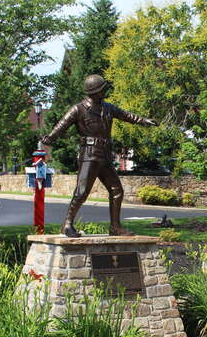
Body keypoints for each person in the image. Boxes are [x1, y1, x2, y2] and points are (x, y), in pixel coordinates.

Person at [41, 74, 158, 237]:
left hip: (105, 154)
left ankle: (115, 227)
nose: (104, 91)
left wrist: (143, 120)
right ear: (94, 92)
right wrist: (50, 137)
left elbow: (126, 115)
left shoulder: (108, 108)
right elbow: (62, 125)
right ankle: (67, 225)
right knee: (82, 191)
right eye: (102, 89)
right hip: (89, 154)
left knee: (117, 190)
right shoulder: (78, 109)